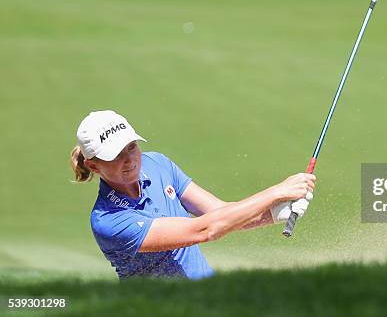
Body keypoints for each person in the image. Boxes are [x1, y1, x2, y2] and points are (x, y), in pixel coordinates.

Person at [70, 110, 315, 280]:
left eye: (132, 146)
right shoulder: (108, 221)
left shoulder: (157, 164)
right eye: (116, 155)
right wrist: (275, 192)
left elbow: (220, 213)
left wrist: (275, 212)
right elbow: (204, 230)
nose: (130, 160)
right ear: (93, 166)